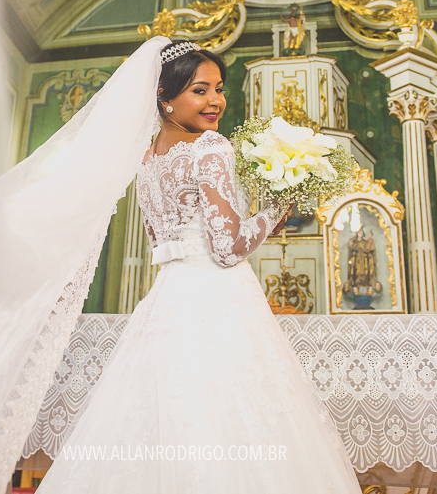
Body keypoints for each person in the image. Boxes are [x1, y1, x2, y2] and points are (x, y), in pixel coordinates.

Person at [34, 39, 362, 493]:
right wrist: (274, 211)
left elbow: (160, 241)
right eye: (199, 90)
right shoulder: (211, 148)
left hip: (168, 300)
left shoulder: (146, 160)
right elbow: (227, 248)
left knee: (159, 416)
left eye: (219, 89)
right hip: (219, 299)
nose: (215, 101)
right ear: (165, 98)